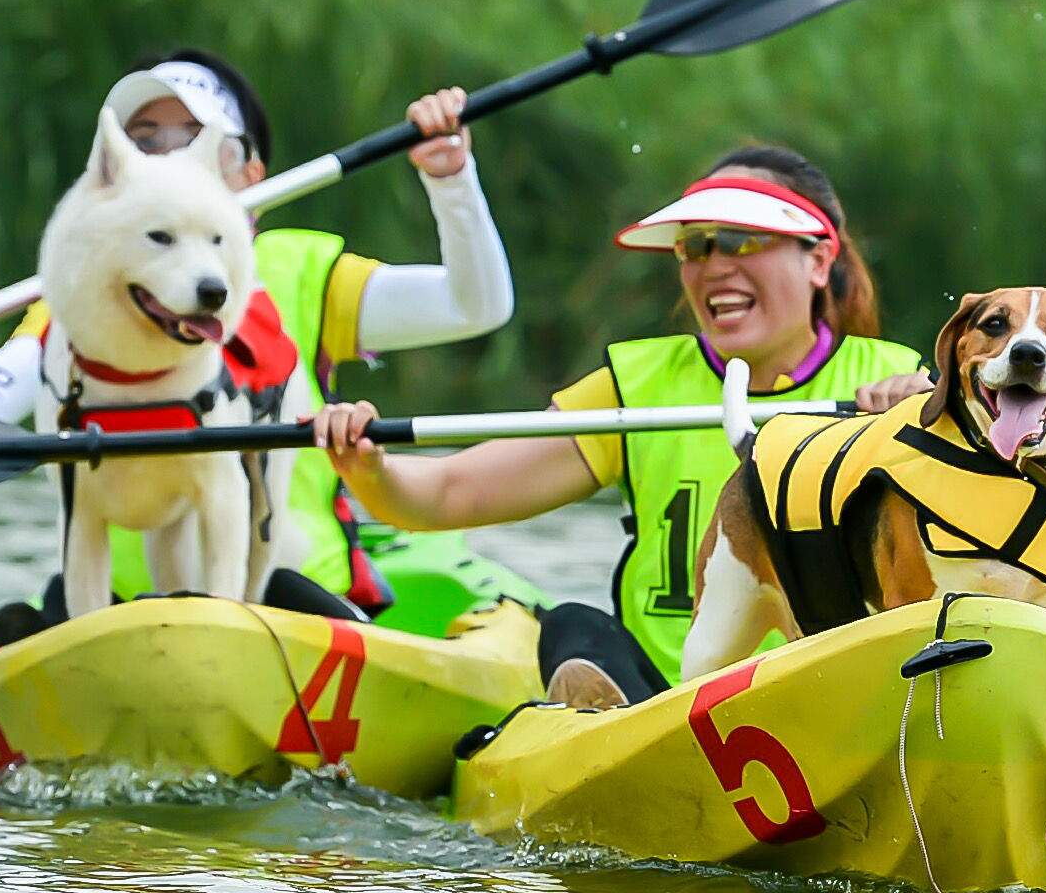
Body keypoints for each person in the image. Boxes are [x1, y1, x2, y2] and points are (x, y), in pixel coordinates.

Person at [0, 49, 511, 638]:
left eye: (198, 144)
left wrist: (451, 179)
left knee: (280, 585)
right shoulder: (83, 300)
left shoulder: (303, 271)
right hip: (122, 613)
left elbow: (474, 305)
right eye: (147, 145)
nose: (172, 164)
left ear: (252, 172)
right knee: (20, 623)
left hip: (288, 604)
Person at [312, 144, 925, 706]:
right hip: (666, 702)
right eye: (694, 245)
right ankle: (622, 742)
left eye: (739, 240)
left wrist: (931, 423)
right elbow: (451, 492)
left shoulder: (901, 383)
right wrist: (367, 467)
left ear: (818, 261)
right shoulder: (636, 385)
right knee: (574, 627)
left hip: (831, 687)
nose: (713, 266)